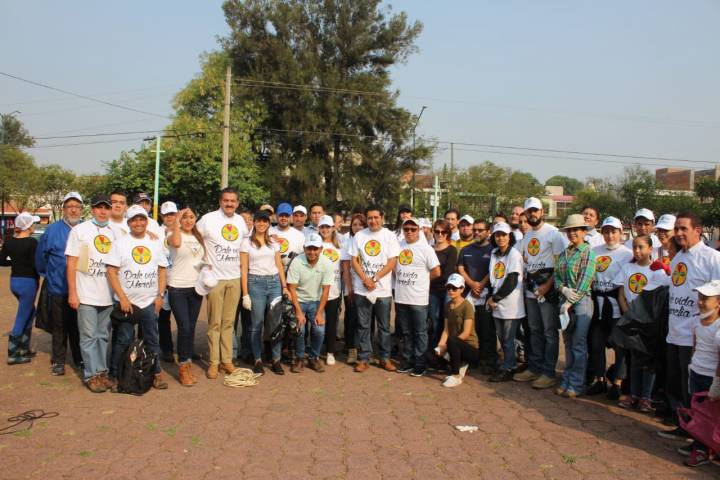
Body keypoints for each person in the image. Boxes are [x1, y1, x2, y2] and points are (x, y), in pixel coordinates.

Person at [658, 212, 720, 440]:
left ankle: (698, 434)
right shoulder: (677, 259)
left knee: (692, 387)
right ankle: (682, 424)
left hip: (696, 336)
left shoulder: (712, 258)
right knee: (675, 382)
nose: (678, 233)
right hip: (674, 332)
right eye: (676, 228)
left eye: (684, 228)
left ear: (698, 230)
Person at [106, 205, 169, 390]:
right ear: (129, 223)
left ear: (146, 221)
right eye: (134, 220)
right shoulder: (120, 243)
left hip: (149, 302)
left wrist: (160, 295)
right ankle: (115, 374)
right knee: (123, 339)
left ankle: (155, 373)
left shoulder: (155, 243)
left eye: (142, 219)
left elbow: (162, 270)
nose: (138, 223)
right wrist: (122, 298)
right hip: (128, 303)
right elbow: (111, 271)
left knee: (152, 339)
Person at [513, 197, 567, 389]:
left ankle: (548, 372)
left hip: (547, 289)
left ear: (542, 211)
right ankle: (535, 368)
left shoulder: (554, 234)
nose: (533, 214)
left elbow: (560, 264)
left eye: (535, 210)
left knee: (549, 332)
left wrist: (547, 286)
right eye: (529, 211)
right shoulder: (526, 236)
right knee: (534, 329)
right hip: (532, 289)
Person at [65, 195, 116, 392]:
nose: (103, 211)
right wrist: (73, 292)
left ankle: (102, 372)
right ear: (92, 210)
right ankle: (91, 375)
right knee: (88, 336)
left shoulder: (115, 232)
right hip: (86, 294)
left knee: (103, 336)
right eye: (99, 207)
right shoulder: (79, 231)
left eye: (106, 208)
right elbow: (71, 263)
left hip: (108, 295)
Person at [196, 187, 247, 379]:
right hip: (215, 278)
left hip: (234, 278)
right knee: (214, 323)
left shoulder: (240, 221)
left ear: (237, 203)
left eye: (233, 201)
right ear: (220, 201)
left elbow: (246, 245)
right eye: (226, 200)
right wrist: (202, 262)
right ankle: (214, 362)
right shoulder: (208, 219)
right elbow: (194, 236)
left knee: (228, 323)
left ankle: (227, 360)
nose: (229, 204)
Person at [615, 234, 669, 410]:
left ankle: (646, 397)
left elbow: (661, 298)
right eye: (634, 247)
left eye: (641, 247)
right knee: (634, 360)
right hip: (631, 320)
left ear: (650, 249)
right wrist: (628, 314)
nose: (637, 251)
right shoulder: (627, 268)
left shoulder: (657, 270)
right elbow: (621, 295)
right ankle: (634, 394)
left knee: (649, 361)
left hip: (650, 323)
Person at [35, 191, 84, 376]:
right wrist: (51, 275)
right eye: (69, 206)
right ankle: (58, 360)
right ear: (63, 209)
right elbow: (41, 258)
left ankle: (79, 359)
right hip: (58, 288)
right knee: (59, 326)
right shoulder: (52, 230)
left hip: (82, 290)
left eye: (77, 206)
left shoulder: (86, 229)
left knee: (78, 327)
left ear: (81, 209)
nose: (73, 210)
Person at [349, 205, 400, 372]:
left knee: (384, 326)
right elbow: (354, 261)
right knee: (363, 325)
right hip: (362, 288)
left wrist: (375, 279)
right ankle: (364, 358)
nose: (373, 221)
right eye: (370, 218)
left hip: (382, 290)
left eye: (376, 217)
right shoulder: (359, 236)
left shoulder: (390, 236)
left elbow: (392, 262)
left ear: (382, 218)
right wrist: (365, 279)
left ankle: (384, 358)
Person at [586, 216, 633, 398]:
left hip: (616, 306)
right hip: (598, 305)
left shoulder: (627, 254)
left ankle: (618, 383)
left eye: (613, 231)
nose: (610, 235)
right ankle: (600, 380)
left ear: (620, 232)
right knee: (597, 345)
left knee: (619, 347)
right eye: (606, 232)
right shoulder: (594, 251)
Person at [678, 281, 720, 467]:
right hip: (697, 371)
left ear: (718, 302)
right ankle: (699, 444)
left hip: (712, 377)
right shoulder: (696, 321)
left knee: (711, 416)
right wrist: (692, 366)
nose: (701, 302)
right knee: (698, 413)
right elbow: (695, 346)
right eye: (700, 298)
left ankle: (704, 450)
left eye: (706, 299)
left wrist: (717, 383)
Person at [241, 209, 288, 376]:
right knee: (257, 324)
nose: (261, 224)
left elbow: (279, 265)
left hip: (274, 283)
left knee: (275, 323)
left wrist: (284, 286)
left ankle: (276, 359)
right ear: (254, 222)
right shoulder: (247, 242)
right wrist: (245, 294)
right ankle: (258, 360)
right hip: (255, 284)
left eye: (265, 221)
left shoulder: (273, 242)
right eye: (259, 220)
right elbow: (244, 269)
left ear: (269, 223)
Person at [554, 214, 596, 398]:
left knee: (578, 344)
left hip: (582, 302)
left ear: (584, 231)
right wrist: (563, 290)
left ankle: (576, 384)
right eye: (569, 230)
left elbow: (585, 280)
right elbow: (557, 276)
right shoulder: (565, 253)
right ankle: (566, 380)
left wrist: (571, 300)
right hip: (565, 300)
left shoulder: (588, 252)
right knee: (568, 343)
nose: (572, 233)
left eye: (576, 230)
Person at [394, 217, 441, 376]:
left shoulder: (426, 249)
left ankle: (420, 363)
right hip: (401, 297)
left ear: (419, 230)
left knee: (420, 332)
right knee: (406, 332)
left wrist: (423, 281)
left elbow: (436, 271)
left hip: (418, 299)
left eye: (413, 229)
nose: (409, 232)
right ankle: (408, 361)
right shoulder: (398, 246)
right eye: (406, 229)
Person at [166, 207, 206, 386]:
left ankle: (188, 363)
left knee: (191, 327)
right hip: (178, 288)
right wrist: (176, 221)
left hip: (195, 288)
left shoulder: (198, 237)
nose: (188, 220)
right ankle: (183, 366)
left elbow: (201, 258)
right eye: (184, 217)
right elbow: (175, 243)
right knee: (184, 327)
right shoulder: (172, 235)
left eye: (191, 217)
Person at [286, 233, 334, 373]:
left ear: (321, 249)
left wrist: (319, 313)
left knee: (319, 330)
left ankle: (314, 357)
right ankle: (300, 358)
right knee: (299, 329)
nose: (312, 252)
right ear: (304, 248)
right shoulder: (297, 262)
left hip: (316, 301)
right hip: (299, 300)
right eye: (309, 248)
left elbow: (326, 290)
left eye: (315, 248)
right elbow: (292, 289)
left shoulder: (327, 263)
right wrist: (298, 312)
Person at [487, 223, 526, 382]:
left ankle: (508, 367)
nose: (500, 238)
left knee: (509, 339)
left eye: (504, 235)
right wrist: (492, 297)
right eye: (497, 235)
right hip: (497, 303)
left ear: (510, 236)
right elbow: (493, 277)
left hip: (510, 303)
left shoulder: (514, 254)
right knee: (502, 338)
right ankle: (509, 363)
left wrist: (495, 297)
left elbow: (512, 280)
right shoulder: (494, 253)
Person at [457, 220, 495, 373]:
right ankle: (472, 358)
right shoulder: (466, 249)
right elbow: (460, 268)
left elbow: (494, 269)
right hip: (469, 295)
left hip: (486, 295)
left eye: (480, 230)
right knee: (470, 329)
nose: (477, 233)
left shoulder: (493, 250)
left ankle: (488, 361)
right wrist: (471, 283)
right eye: (475, 230)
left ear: (488, 231)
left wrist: (481, 285)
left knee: (486, 330)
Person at [2, 212, 40, 365]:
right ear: (28, 226)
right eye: (33, 223)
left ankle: (24, 348)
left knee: (30, 311)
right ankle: (13, 354)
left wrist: (16, 262)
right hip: (28, 284)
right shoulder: (32, 242)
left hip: (15, 282)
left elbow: (2, 261)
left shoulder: (9, 241)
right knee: (22, 317)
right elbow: (36, 264)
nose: (35, 225)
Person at [435, 273, 478, 387]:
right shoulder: (448, 305)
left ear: (462, 289)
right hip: (453, 344)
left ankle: (456, 376)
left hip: (470, 347)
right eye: (449, 287)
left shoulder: (467, 306)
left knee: (452, 342)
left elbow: (466, 333)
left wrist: (447, 346)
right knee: (432, 356)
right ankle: (458, 364)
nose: (451, 290)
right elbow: (446, 330)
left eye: (454, 288)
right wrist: (440, 346)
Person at [340, 213, 367, 365]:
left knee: (366, 320)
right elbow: (345, 268)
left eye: (360, 224)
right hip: (352, 287)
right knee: (351, 318)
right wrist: (350, 289)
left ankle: (365, 349)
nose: (357, 227)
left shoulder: (370, 241)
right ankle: (351, 349)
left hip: (367, 287)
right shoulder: (347, 242)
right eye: (354, 224)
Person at [428, 219, 458, 354]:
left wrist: (428, 278)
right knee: (434, 322)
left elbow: (448, 273)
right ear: (433, 232)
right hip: (431, 291)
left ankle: (447, 351)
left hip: (446, 291)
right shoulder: (429, 249)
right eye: (437, 231)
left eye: (443, 232)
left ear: (448, 234)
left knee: (447, 322)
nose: (440, 234)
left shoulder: (452, 250)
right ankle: (434, 351)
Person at [318, 215, 343, 366]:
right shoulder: (315, 244)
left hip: (334, 291)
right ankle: (315, 351)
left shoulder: (340, 246)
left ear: (333, 228)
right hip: (317, 291)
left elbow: (343, 270)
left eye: (327, 227)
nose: (325, 230)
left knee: (331, 323)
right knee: (317, 323)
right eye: (322, 227)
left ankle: (330, 352)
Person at [157, 201, 178, 363]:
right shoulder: (156, 233)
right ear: (161, 216)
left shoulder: (183, 230)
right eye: (166, 215)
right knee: (163, 319)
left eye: (172, 214)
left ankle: (187, 348)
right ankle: (167, 349)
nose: (169, 217)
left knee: (184, 320)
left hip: (180, 281)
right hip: (163, 281)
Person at [271, 202, 305, 269]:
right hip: (272, 272)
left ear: (291, 217)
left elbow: (303, 256)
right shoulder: (269, 232)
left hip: (293, 271)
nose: (284, 218)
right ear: (276, 216)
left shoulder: (300, 235)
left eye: (287, 215)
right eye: (281, 215)